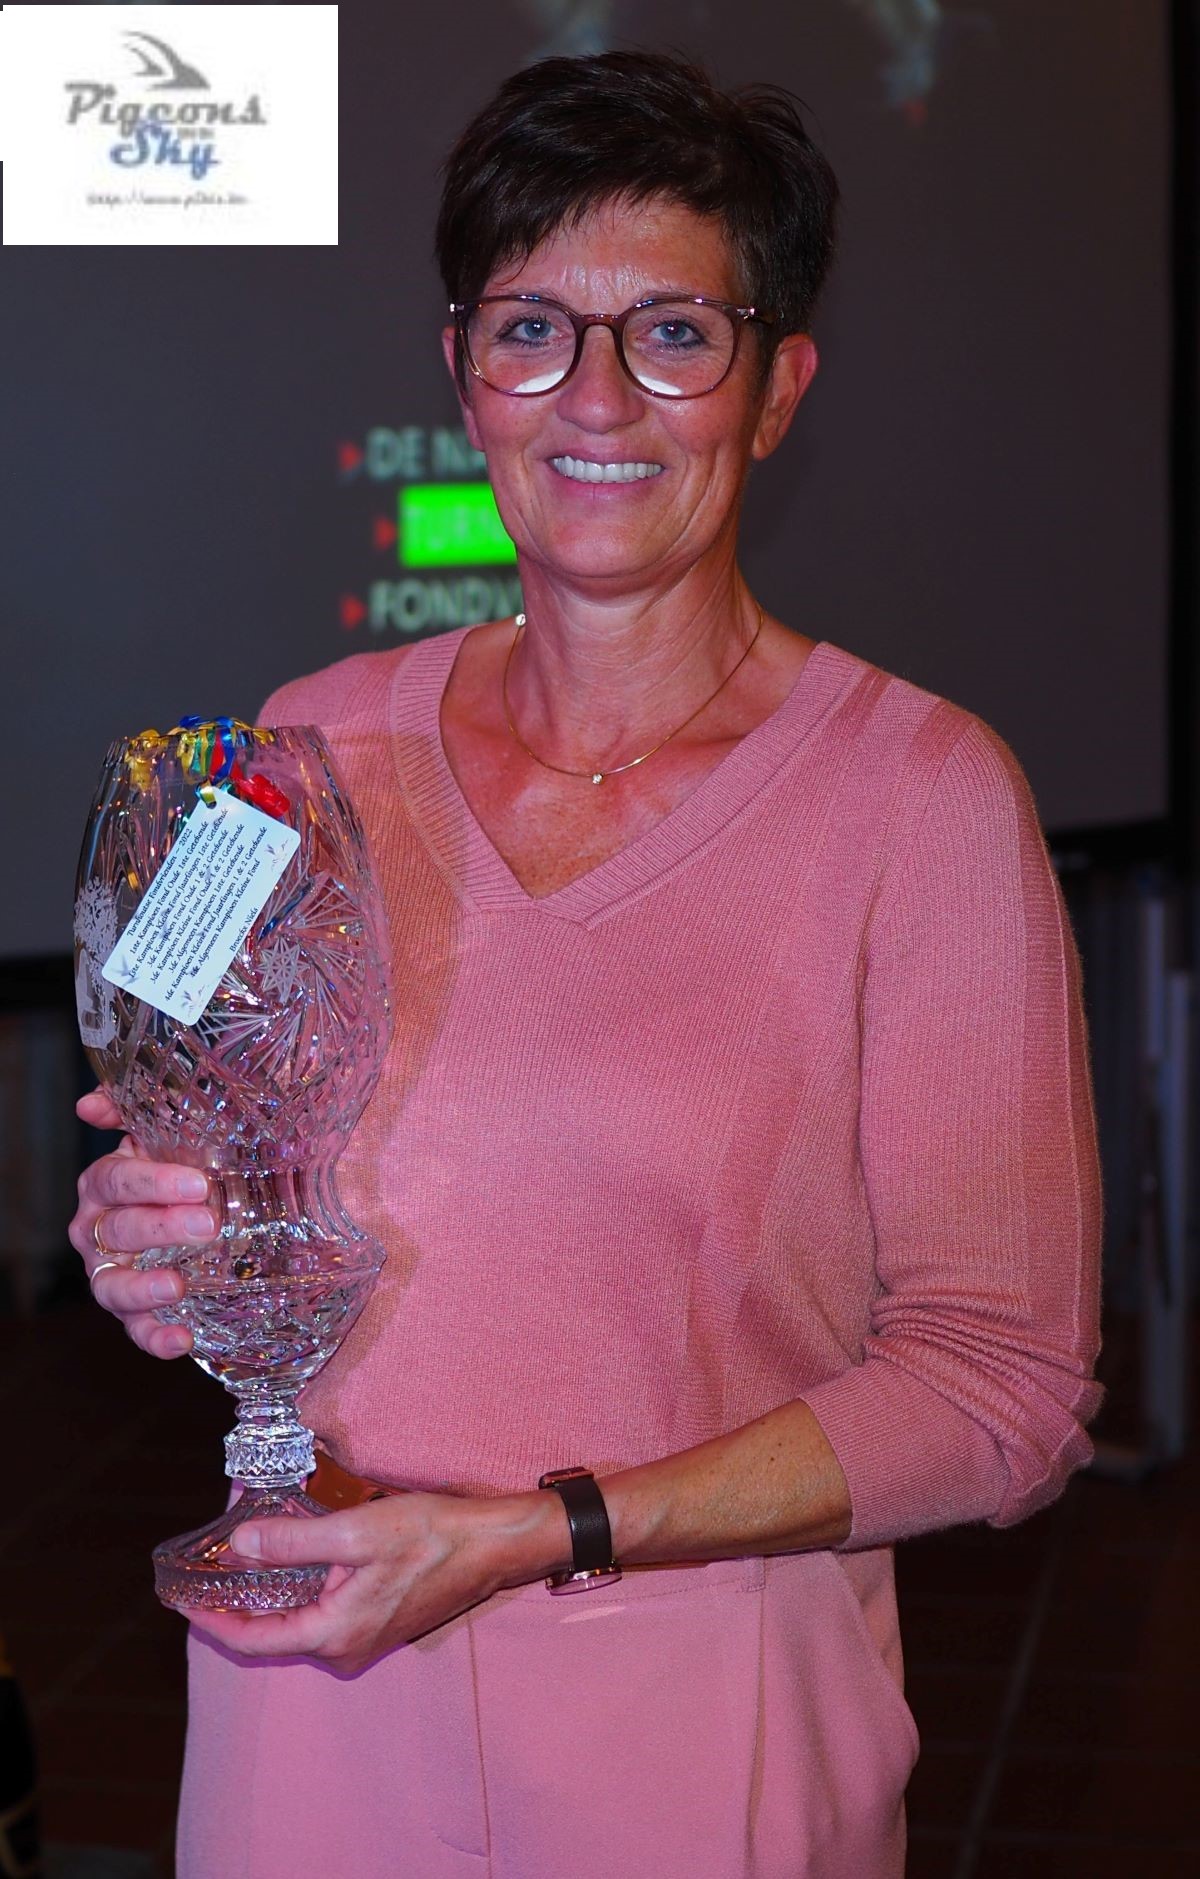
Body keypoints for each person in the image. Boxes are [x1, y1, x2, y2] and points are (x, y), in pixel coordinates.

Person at [69, 49, 1103, 1879]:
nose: (597, 398)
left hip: (704, 1703)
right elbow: (176, 1129)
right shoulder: (294, 749)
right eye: (533, 330)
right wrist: (144, 1239)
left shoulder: (926, 797)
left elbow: (999, 1394)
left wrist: (540, 1531)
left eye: (675, 334)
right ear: (463, 372)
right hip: (309, 1668)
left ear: (777, 389)